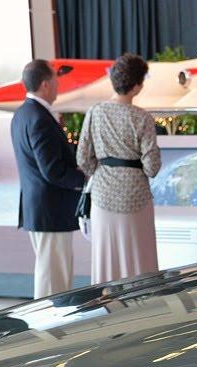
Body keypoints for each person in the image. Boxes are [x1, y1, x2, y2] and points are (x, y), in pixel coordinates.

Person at [76, 53, 162, 284]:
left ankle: (107, 300)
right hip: (136, 197)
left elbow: (83, 157)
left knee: (106, 259)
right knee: (139, 259)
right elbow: (152, 167)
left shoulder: (95, 112)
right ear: (136, 86)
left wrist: (101, 170)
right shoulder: (142, 118)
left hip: (103, 195)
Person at [10, 59, 86, 298]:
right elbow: (53, 170)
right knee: (54, 279)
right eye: (55, 79)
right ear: (45, 84)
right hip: (50, 210)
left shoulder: (22, 114)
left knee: (51, 273)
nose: (58, 84)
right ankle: (52, 319)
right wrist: (85, 180)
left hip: (40, 208)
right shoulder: (40, 118)